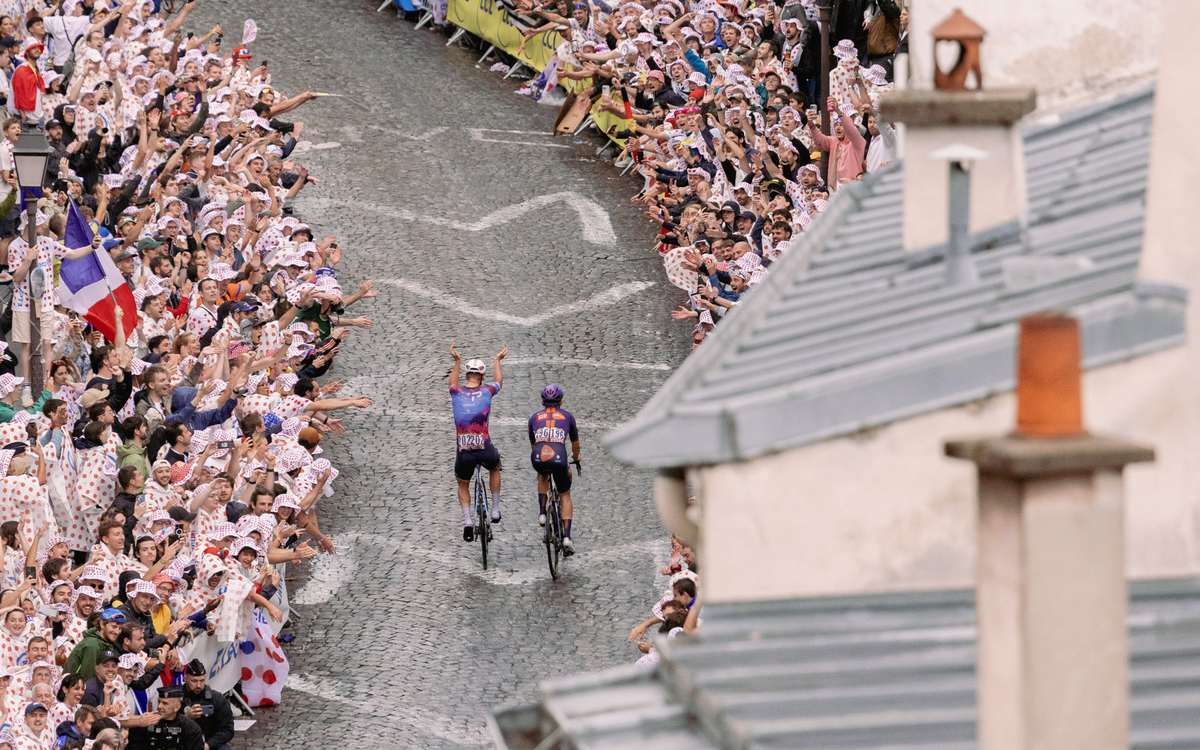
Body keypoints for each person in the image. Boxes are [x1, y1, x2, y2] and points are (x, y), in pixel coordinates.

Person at [448, 344, 507, 542]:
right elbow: (499, 381)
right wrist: (497, 360)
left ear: (466, 375)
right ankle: (496, 509)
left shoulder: (456, 392)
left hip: (463, 450)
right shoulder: (487, 391)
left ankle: (467, 521)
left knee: (462, 483)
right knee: (495, 467)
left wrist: (456, 361)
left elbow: (451, 383)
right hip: (484, 446)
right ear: (482, 377)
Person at [528, 385, 581, 554]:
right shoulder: (568, 416)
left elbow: (533, 444)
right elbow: (575, 444)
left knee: (542, 475)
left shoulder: (534, 418)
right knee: (565, 494)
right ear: (561, 402)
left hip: (539, 456)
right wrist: (575, 457)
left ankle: (542, 513)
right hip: (559, 457)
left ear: (543, 402)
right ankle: (566, 537)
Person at [124, 684, 200, 750]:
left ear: (177, 707)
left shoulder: (189, 728)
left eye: (165, 703)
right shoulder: (145, 723)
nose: (159, 706)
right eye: (159, 702)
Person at [179, 660, 234, 750]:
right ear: (185, 679)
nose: (198, 685)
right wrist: (186, 718)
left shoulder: (217, 699)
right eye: (194, 681)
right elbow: (168, 725)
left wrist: (208, 745)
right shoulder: (176, 698)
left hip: (209, 742)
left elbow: (227, 730)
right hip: (184, 742)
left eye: (202, 680)